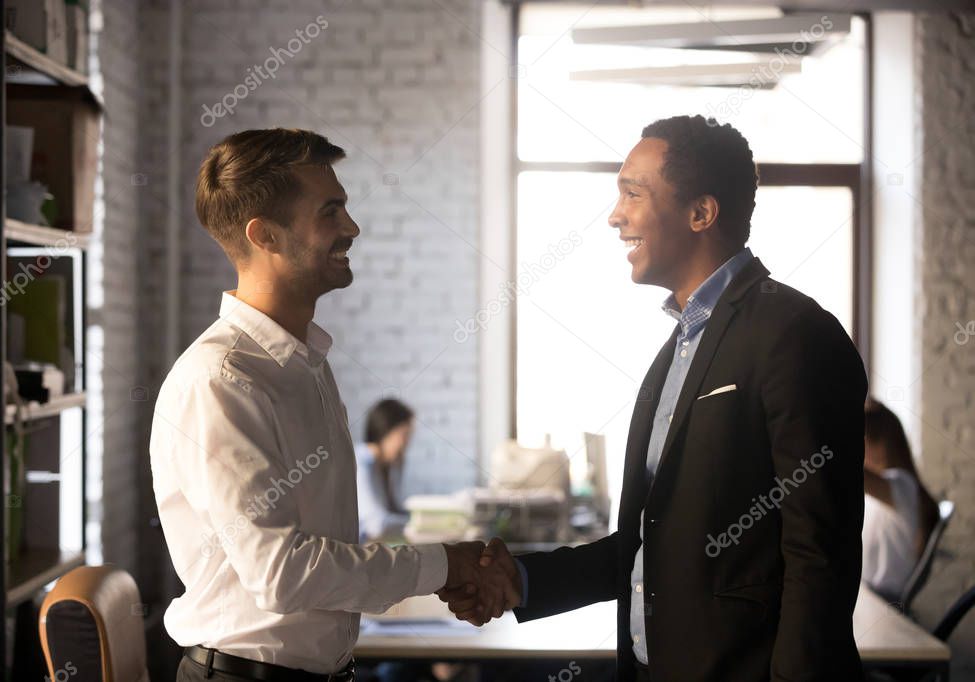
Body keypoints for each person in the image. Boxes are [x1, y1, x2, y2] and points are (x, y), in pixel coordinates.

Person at [440, 115, 868, 681]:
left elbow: (820, 553)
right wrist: (521, 581)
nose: (616, 216)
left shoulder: (794, 333)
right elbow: (650, 547)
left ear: (701, 213)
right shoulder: (680, 348)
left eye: (632, 194)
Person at [149, 128, 519, 682]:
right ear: (265, 235)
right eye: (331, 212)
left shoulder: (303, 365)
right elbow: (281, 573)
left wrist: (445, 567)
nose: (352, 228)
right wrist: (446, 565)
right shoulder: (223, 379)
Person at [862, 398, 939, 602]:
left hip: (882, 600)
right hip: (871, 595)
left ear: (878, 445)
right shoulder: (887, 490)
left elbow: (848, 467)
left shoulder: (902, 485)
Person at [356, 399, 414, 542]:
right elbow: (375, 526)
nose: (406, 444)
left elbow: (391, 512)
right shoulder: (360, 462)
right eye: (404, 435)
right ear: (385, 431)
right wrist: (419, 526)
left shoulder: (382, 466)